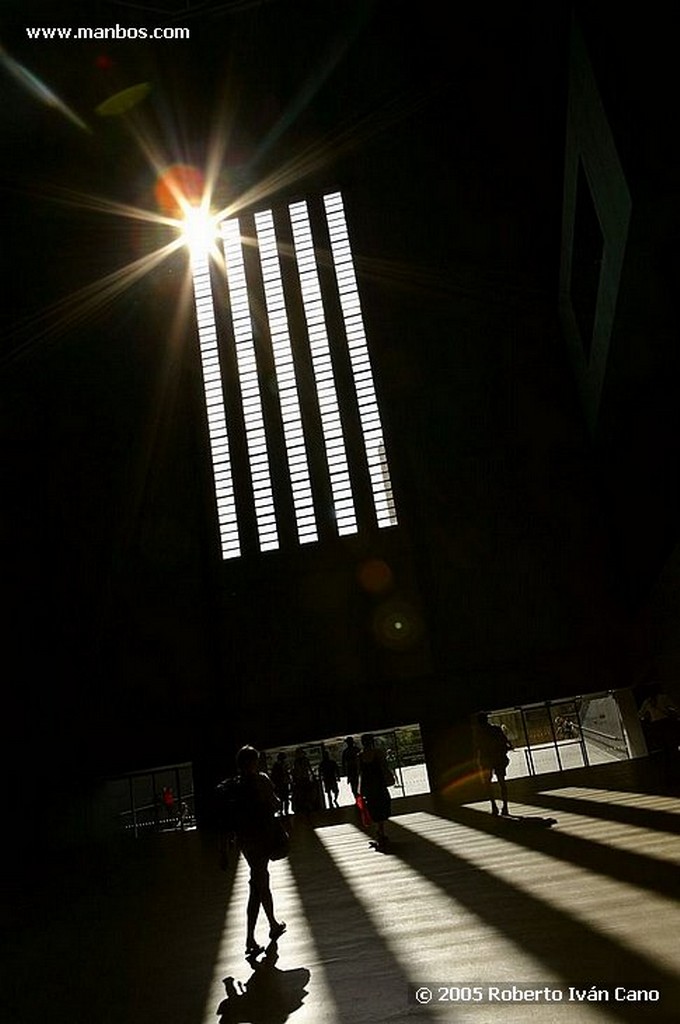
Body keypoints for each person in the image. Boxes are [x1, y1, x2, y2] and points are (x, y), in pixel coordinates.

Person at [234, 745, 287, 958]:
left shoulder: (234, 785)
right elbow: (275, 804)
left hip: (246, 841)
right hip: (263, 836)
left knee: (257, 882)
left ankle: (268, 926)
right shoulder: (261, 780)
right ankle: (252, 937)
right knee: (259, 885)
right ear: (254, 762)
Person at [358, 733, 394, 849]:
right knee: (383, 806)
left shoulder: (360, 756)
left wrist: (360, 789)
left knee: (374, 808)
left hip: (369, 787)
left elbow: (361, 774)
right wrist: (389, 778)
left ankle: (380, 833)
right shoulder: (378, 753)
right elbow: (384, 767)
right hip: (379, 784)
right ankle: (381, 832)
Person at [474, 712, 512, 816]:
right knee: (502, 782)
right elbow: (506, 742)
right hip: (498, 758)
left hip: (486, 760)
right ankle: (505, 807)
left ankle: (494, 806)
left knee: (488, 783)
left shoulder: (479, 733)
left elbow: (478, 748)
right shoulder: (496, 729)